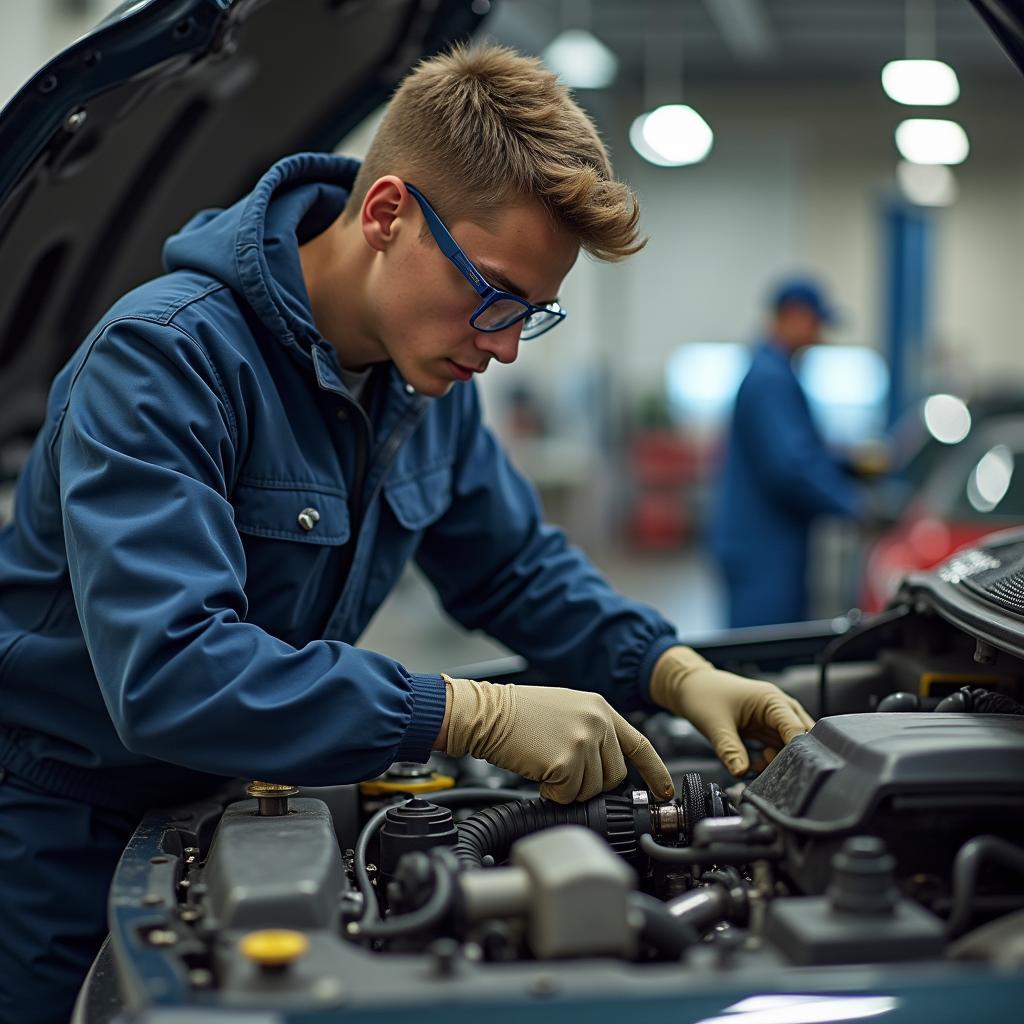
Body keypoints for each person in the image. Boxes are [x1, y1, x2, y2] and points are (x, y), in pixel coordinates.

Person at [0, 46, 813, 1022]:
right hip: (65, 833)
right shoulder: (166, 361)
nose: (506, 344)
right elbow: (173, 671)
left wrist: (671, 668)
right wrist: (463, 712)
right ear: (386, 213)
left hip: (237, 801)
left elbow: (514, 569)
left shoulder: (417, 385)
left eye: (533, 314)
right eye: (495, 294)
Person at [709, 277, 864, 628]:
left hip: (764, 544)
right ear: (793, 316)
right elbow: (791, 468)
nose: (820, 335)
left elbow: (797, 451)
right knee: (763, 658)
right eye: (816, 324)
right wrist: (855, 506)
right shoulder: (771, 379)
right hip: (764, 551)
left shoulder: (772, 371)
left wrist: (848, 465)